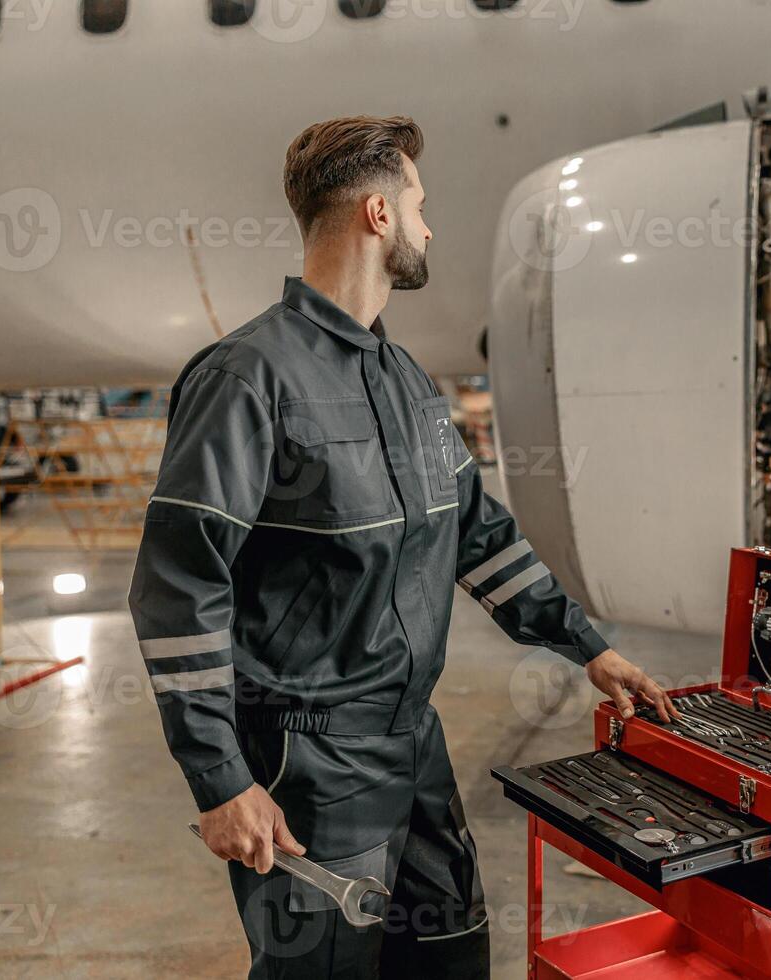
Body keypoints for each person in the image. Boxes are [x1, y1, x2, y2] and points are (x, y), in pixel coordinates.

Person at [128, 115, 676, 979]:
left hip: (411, 742)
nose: (430, 225)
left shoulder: (402, 379)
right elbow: (176, 586)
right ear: (378, 214)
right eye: (419, 203)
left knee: (451, 956)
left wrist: (588, 647)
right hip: (307, 759)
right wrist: (220, 778)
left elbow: (475, 533)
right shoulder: (246, 379)